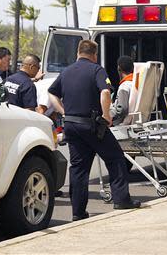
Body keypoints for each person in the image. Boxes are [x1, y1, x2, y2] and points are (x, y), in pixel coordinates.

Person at [48, 40, 140, 221]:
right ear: (94, 55)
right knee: (115, 159)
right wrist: (107, 115)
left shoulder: (66, 72)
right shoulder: (97, 70)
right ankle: (121, 199)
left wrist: (64, 111)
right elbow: (105, 93)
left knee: (79, 169)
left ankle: (78, 212)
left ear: (78, 53)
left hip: (71, 125)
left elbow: (52, 93)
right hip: (92, 125)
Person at [110, 55, 134, 126]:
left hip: (121, 124)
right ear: (132, 68)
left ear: (119, 68)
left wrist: (110, 111)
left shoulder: (124, 86)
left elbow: (122, 109)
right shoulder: (136, 84)